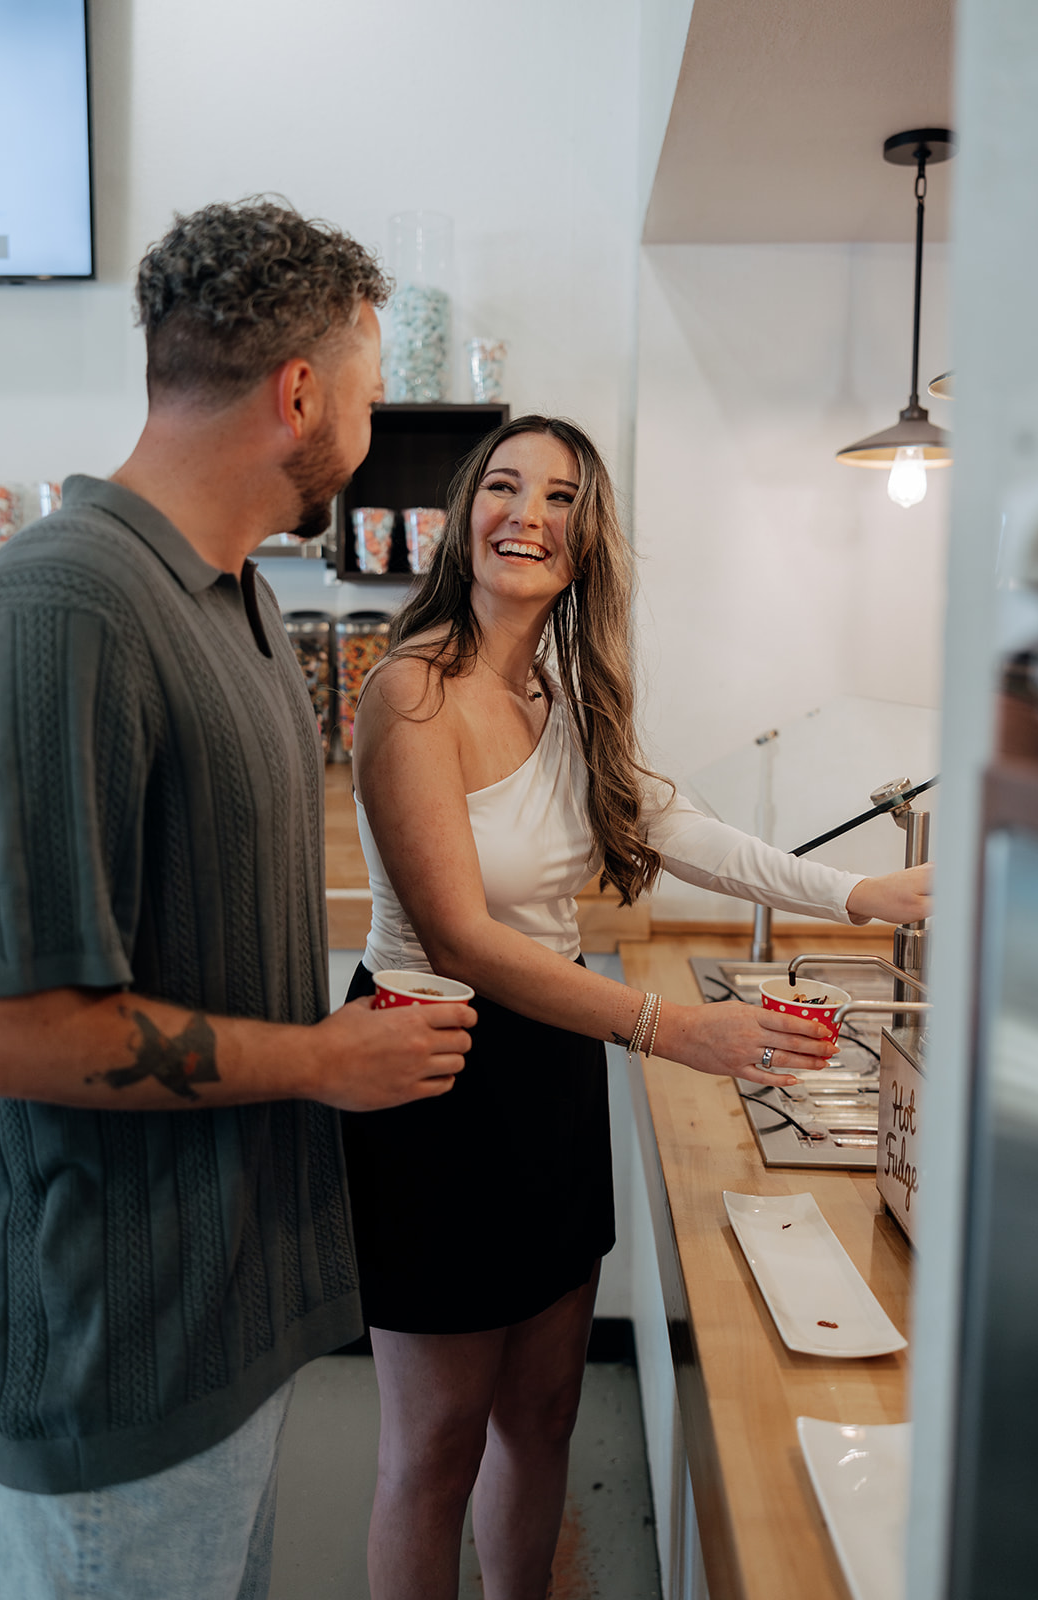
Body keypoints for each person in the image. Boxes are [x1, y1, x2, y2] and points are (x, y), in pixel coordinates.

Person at [0, 198, 476, 1600]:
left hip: (229, 1332)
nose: (369, 432)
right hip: (110, 1367)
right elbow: (10, 1027)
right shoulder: (62, 607)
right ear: (299, 394)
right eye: (369, 400)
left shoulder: (237, 603)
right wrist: (321, 1060)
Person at [342, 413, 932, 1600]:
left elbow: (691, 834)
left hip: (548, 1066)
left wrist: (860, 893)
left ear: (584, 540)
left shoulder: (560, 699)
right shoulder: (409, 694)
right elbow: (460, 934)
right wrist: (673, 1030)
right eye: (503, 487)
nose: (528, 513)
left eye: (559, 497)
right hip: (431, 1068)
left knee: (544, 1411)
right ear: (463, 519)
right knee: (436, 1444)